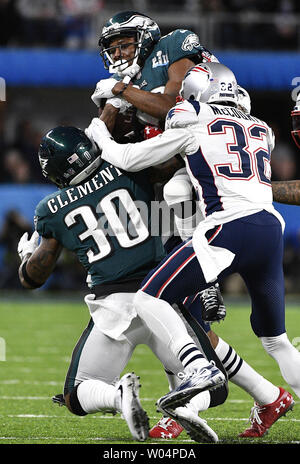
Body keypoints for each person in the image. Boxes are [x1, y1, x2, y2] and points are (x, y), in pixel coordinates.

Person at [91, 10, 300, 439]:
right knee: (277, 341)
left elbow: (158, 128)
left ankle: (198, 366)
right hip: (269, 226)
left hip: (227, 230)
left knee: (150, 298)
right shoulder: (263, 129)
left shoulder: (187, 99)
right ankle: (261, 391)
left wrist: (106, 119)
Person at [17, 125, 227, 443]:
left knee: (76, 395)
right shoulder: (127, 166)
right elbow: (175, 165)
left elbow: (33, 277)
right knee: (216, 385)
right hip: (161, 297)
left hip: (112, 308)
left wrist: (26, 255)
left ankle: (118, 397)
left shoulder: (51, 209)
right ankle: (186, 405)